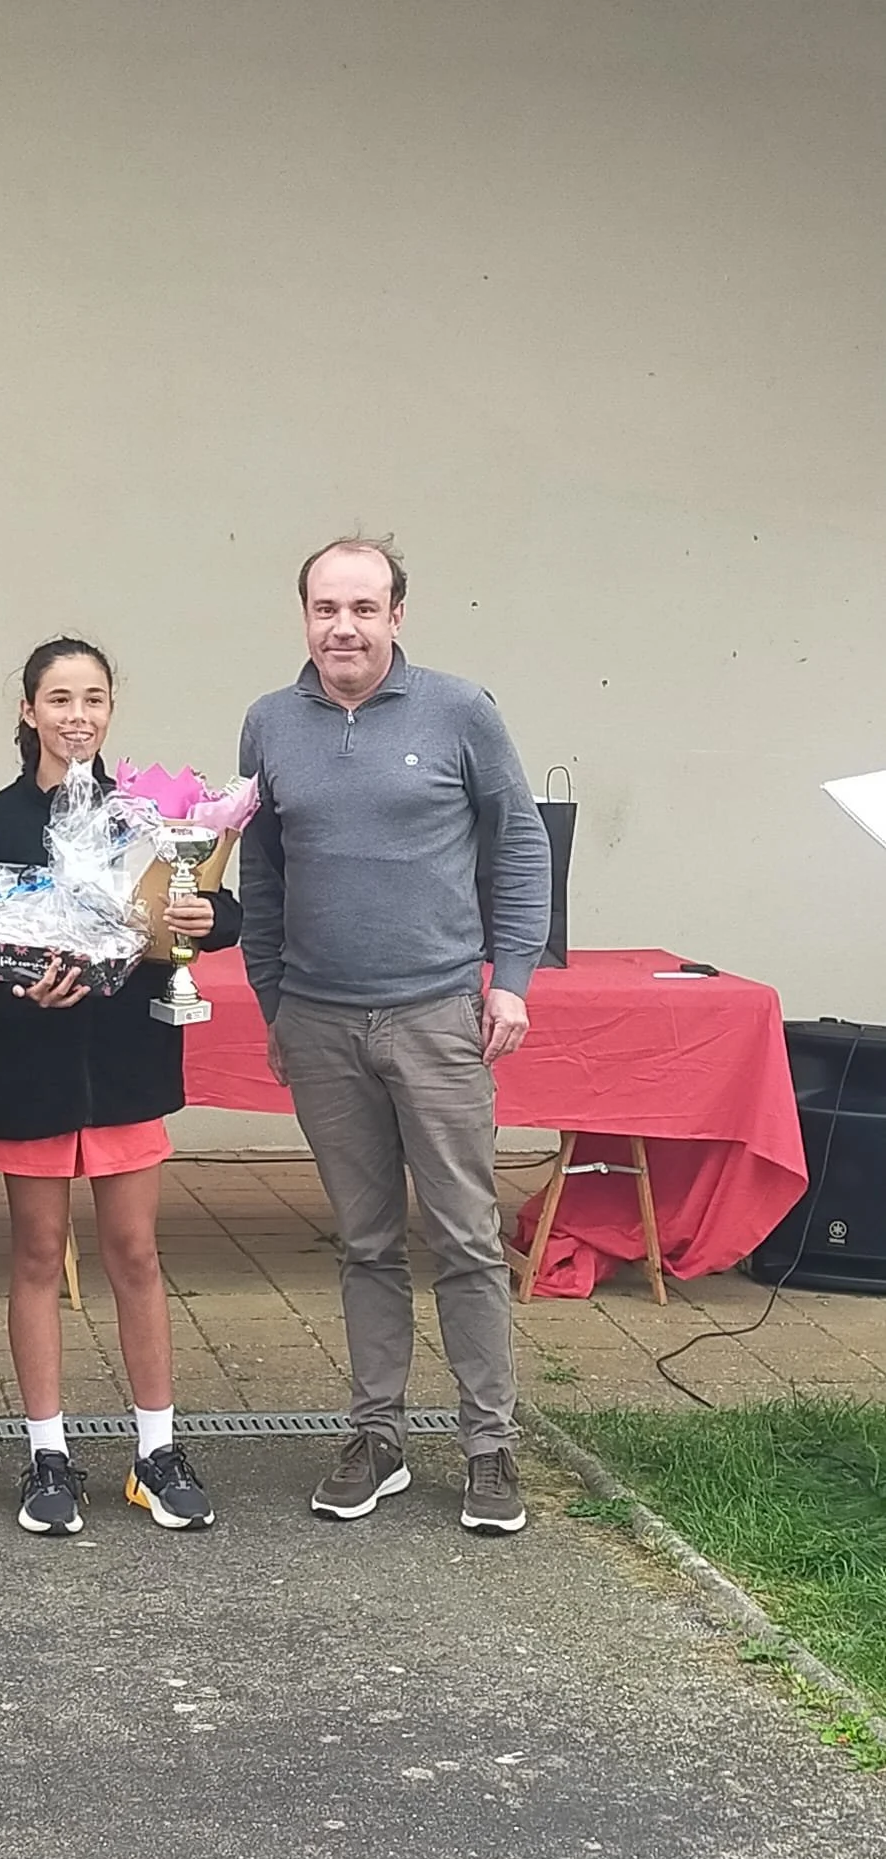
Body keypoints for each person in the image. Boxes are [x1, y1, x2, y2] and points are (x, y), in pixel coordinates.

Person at [239, 538, 551, 1535]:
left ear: (398, 615)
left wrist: (511, 981)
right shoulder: (268, 724)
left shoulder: (461, 712)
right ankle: (377, 1435)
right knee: (365, 1241)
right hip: (322, 1021)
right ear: (303, 617)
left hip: (435, 1016)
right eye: (327, 607)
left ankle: (489, 1446)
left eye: (364, 607)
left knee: (463, 1236)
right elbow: (262, 878)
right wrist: (271, 998)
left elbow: (519, 846)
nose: (345, 626)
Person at [0, 638, 241, 1536]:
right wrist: (12, 983)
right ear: (28, 712)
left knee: (136, 1256)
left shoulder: (150, 817)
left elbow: (208, 909)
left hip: (125, 1067)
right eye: (58, 699)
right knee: (38, 1258)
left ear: (111, 710)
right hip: (32, 1070)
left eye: (94, 698)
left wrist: (209, 917)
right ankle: (48, 1457)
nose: (77, 715)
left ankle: (155, 1452)